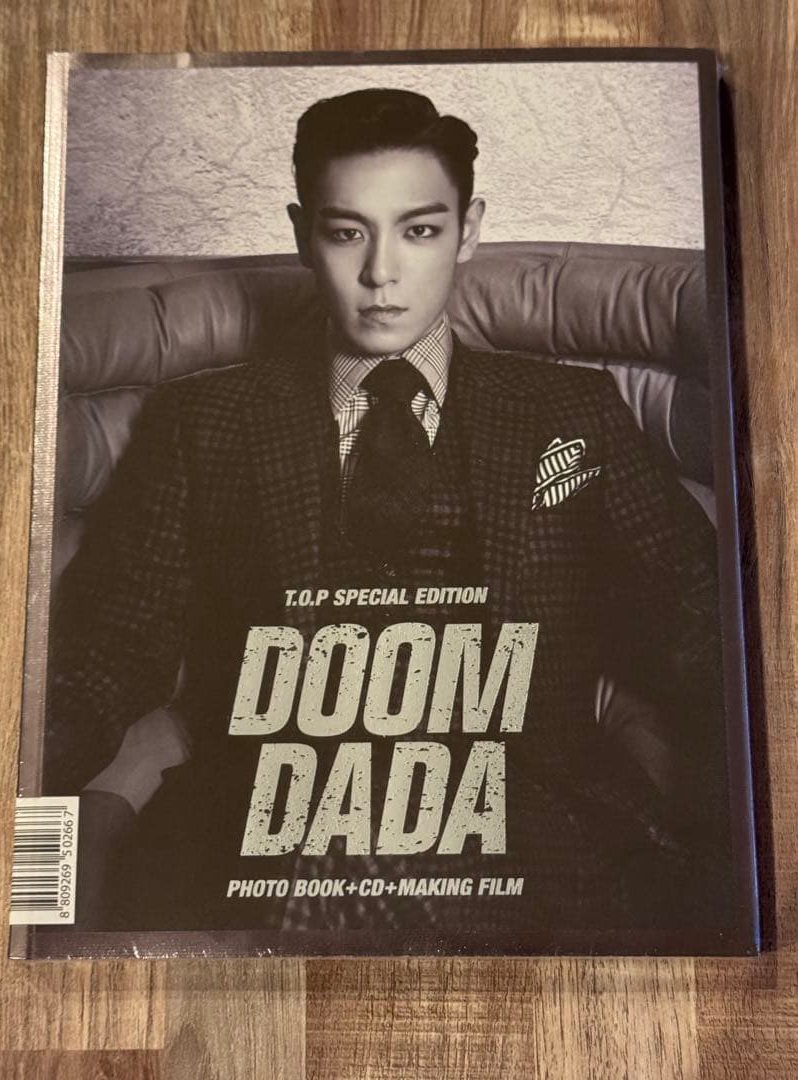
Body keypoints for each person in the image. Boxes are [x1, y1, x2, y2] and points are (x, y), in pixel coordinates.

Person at [47, 88, 732, 935]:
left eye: (419, 231)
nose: (381, 273)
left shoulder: (569, 412)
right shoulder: (207, 421)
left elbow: (699, 620)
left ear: (468, 230)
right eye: (347, 233)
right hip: (275, 817)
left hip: (533, 815)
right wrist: (23, 769)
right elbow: (116, 646)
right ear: (303, 235)